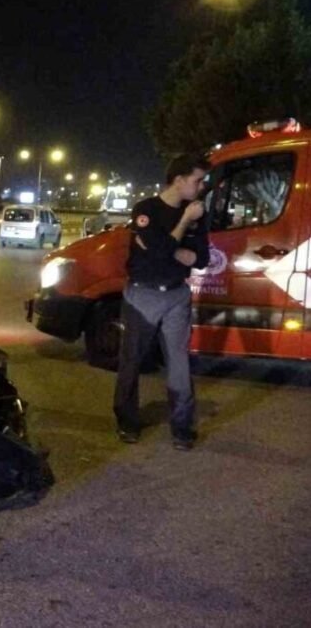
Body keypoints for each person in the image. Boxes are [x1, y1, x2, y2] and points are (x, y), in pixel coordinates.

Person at [113, 153, 210, 451]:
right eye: (197, 180)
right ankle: (127, 421)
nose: (202, 186)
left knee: (179, 364)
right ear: (179, 180)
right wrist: (181, 228)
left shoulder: (197, 214)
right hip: (142, 296)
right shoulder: (146, 209)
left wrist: (170, 248)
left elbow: (202, 258)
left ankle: (182, 428)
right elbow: (160, 251)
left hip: (177, 295)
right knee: (132, 361)